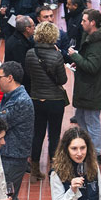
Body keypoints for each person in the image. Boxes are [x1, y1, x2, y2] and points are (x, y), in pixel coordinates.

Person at [0, 60, 34, 200]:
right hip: (8, 156)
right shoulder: (11, 96)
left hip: (13, 158)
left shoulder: (20, 101)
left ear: (10, 78)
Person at [67, 9, 101, 157]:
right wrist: (80, 62)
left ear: (92, 23)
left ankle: (96, 153)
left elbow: (92, 67)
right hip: (90, 88)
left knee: (92, 121)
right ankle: (87, 144)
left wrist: (75, 57)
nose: (81, 23)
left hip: (93, 90)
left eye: (84, 21)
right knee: (80, 117)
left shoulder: (97, 44)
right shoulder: (93, 37)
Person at [25, 21, 68, 179]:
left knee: (38, 134)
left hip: (36, 99)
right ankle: (54, 169)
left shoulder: (30, 53)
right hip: (55, 101)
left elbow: (29, 74)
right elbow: (62, 80)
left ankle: (35, 170)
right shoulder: (57, 55)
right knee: (54, 134)